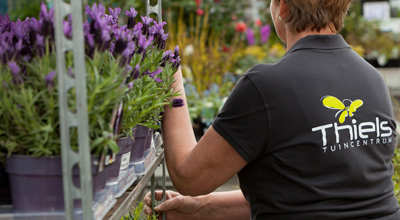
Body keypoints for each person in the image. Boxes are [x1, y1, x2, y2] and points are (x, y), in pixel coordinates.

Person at [144, 0, 400, 219]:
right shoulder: (372, 79)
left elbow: (189, 177)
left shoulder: (265, 87)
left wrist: (170, 73)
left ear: (284, 8)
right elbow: (308, 195)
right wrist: (200, 208)